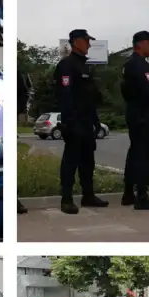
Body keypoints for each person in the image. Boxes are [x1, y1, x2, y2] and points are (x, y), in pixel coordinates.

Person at [54, 29, 108, 214]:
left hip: (86, 122)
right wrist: (68, 122)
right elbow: (65, 95)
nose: (89, 45)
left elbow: (90, 97)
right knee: (70, 161)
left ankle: (88, 195)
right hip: (74, 122)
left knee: (88, 161)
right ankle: (66, 199)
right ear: (76, 42)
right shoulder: (66, 66)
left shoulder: (84, 66)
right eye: (86, 41)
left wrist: (95, 121)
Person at [120, 30, 149, 210]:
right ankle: (142, 195)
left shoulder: (130, 65)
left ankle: (129, 192)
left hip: (135, 112)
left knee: (135, 153)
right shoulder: (140, 66)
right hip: (144, 115)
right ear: (141, 44)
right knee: (144, 155)